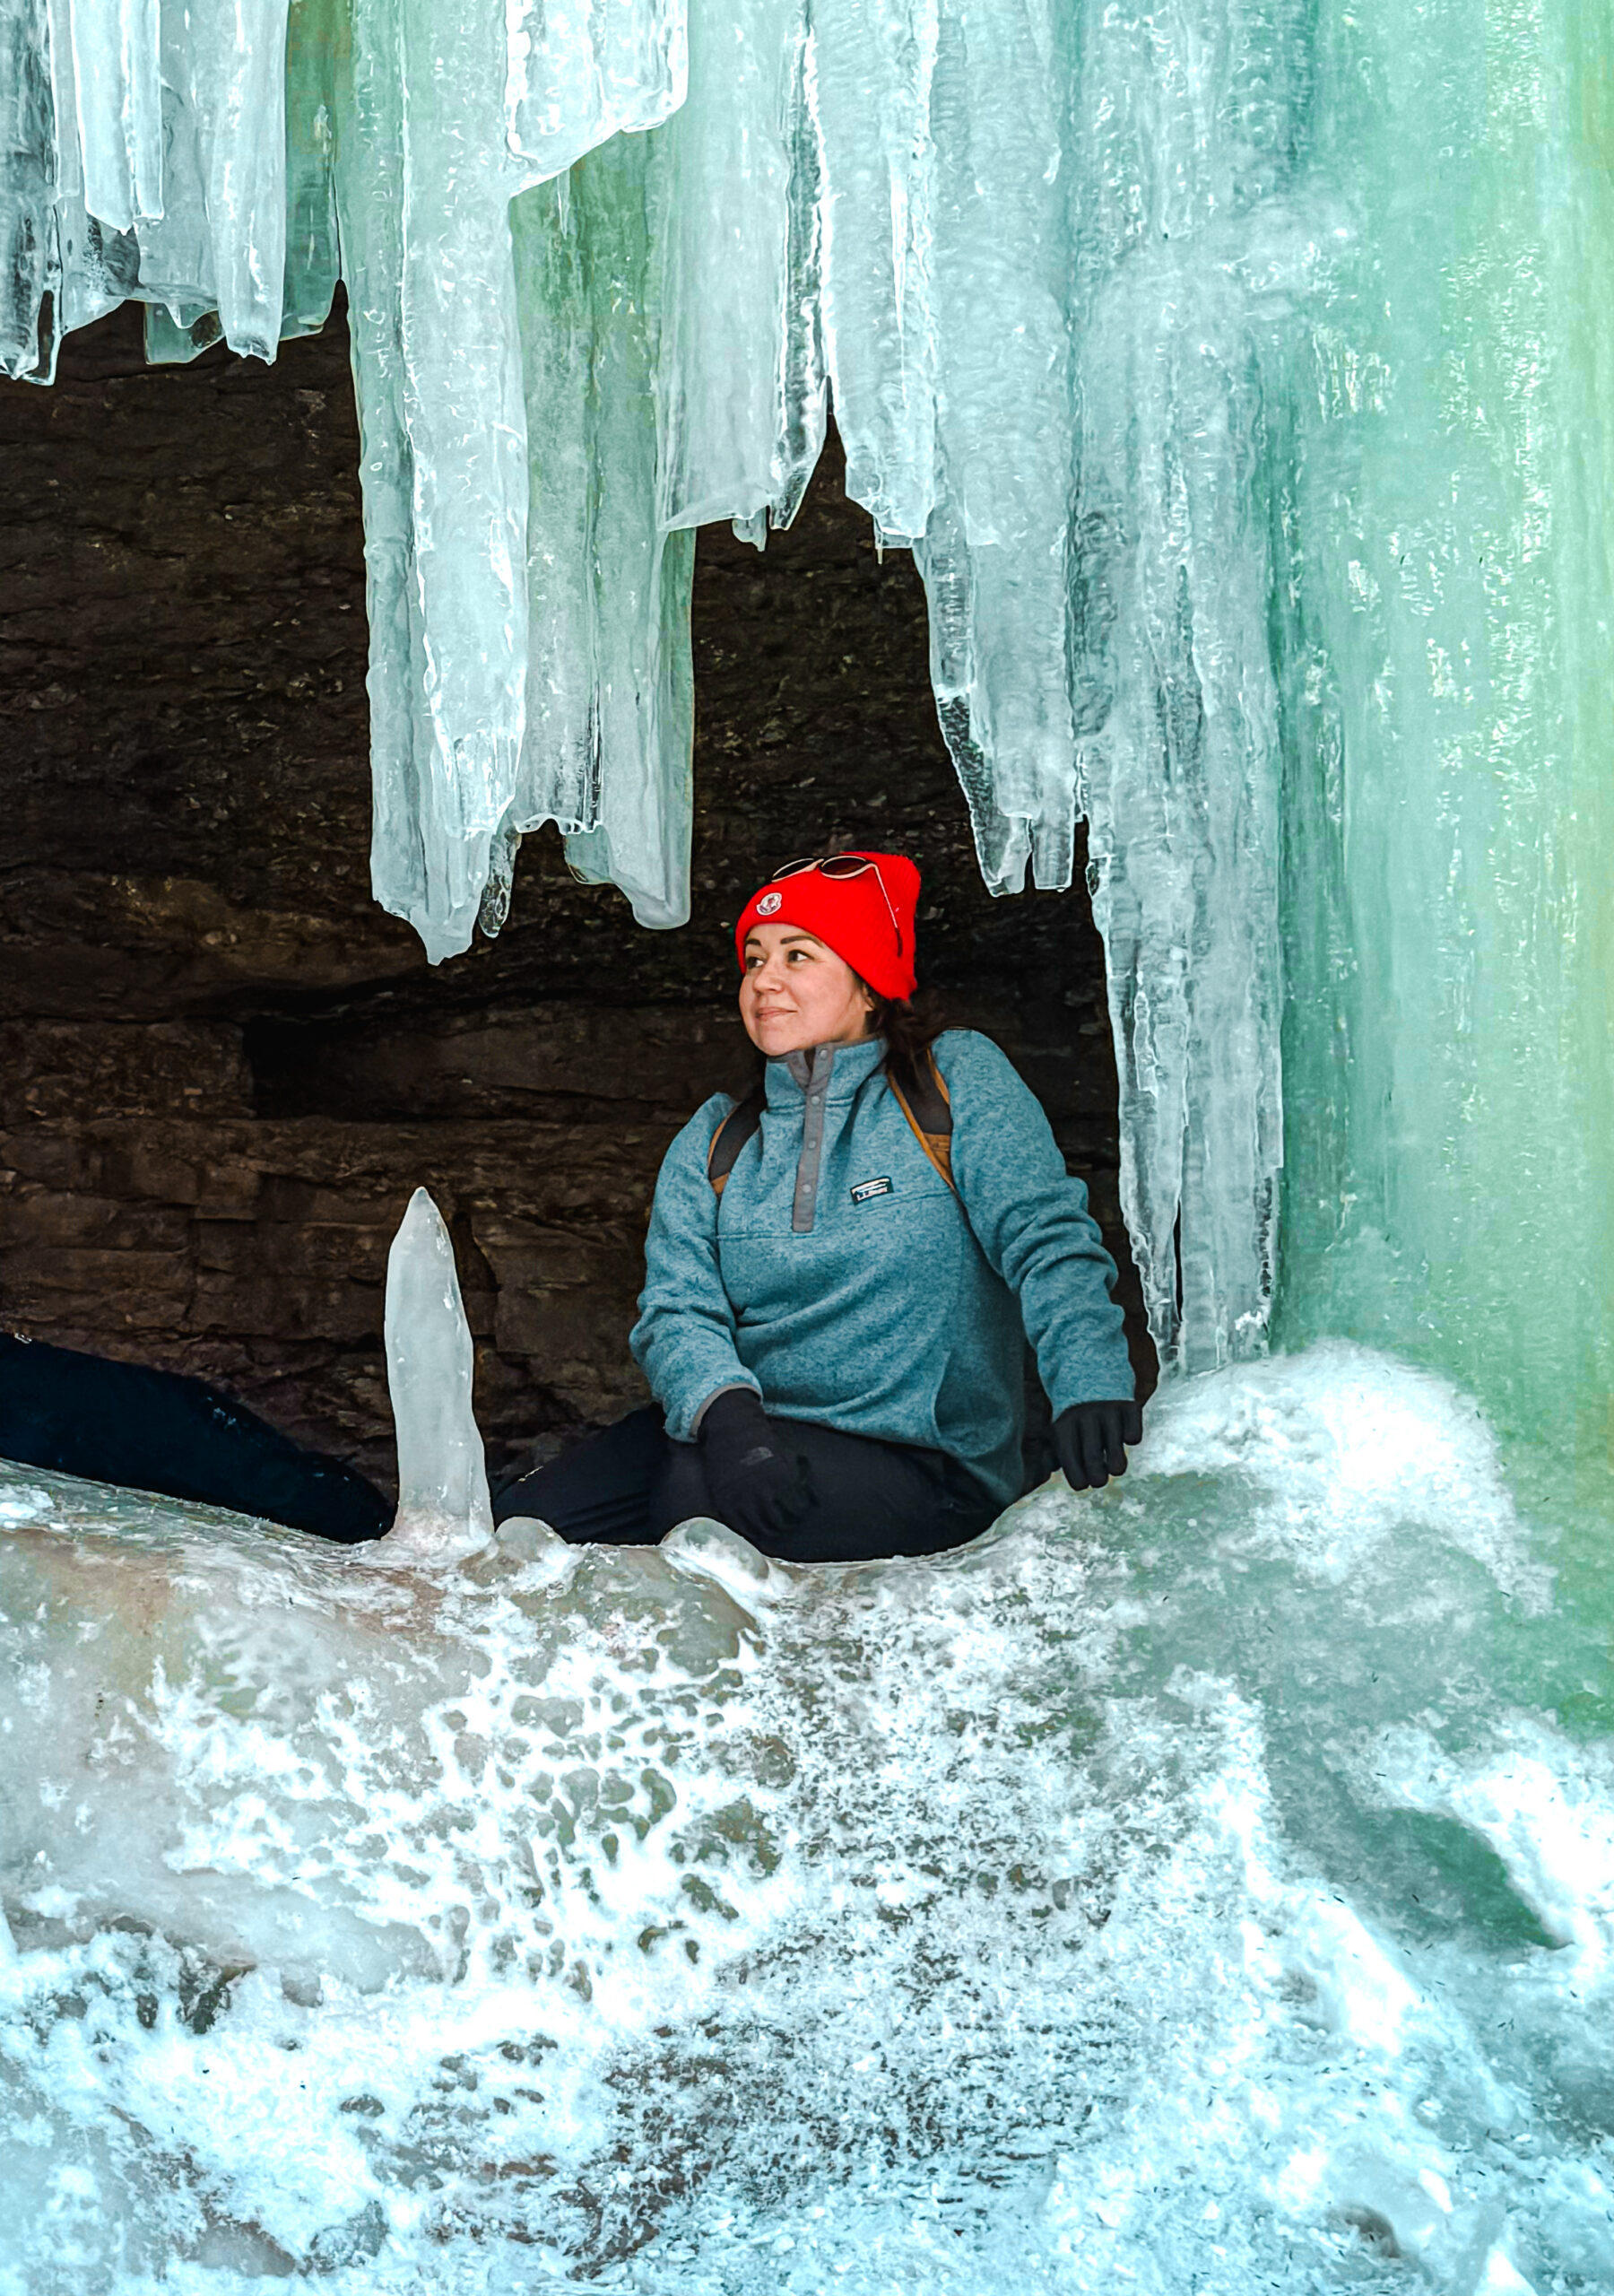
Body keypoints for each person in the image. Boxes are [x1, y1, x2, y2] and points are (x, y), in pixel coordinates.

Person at [495, 849, 1143, 1563]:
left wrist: (1088, 1382)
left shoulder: (950, 1082)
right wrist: (731, 1420)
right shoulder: (718, 1135)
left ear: (870, 985)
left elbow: (1044, 1239)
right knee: (516, 1530)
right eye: (753, 959)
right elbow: (677, 1309)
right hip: (738, 1431)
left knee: (696, 1507)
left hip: (918, 1457)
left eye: (797, 956)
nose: (764, 981)